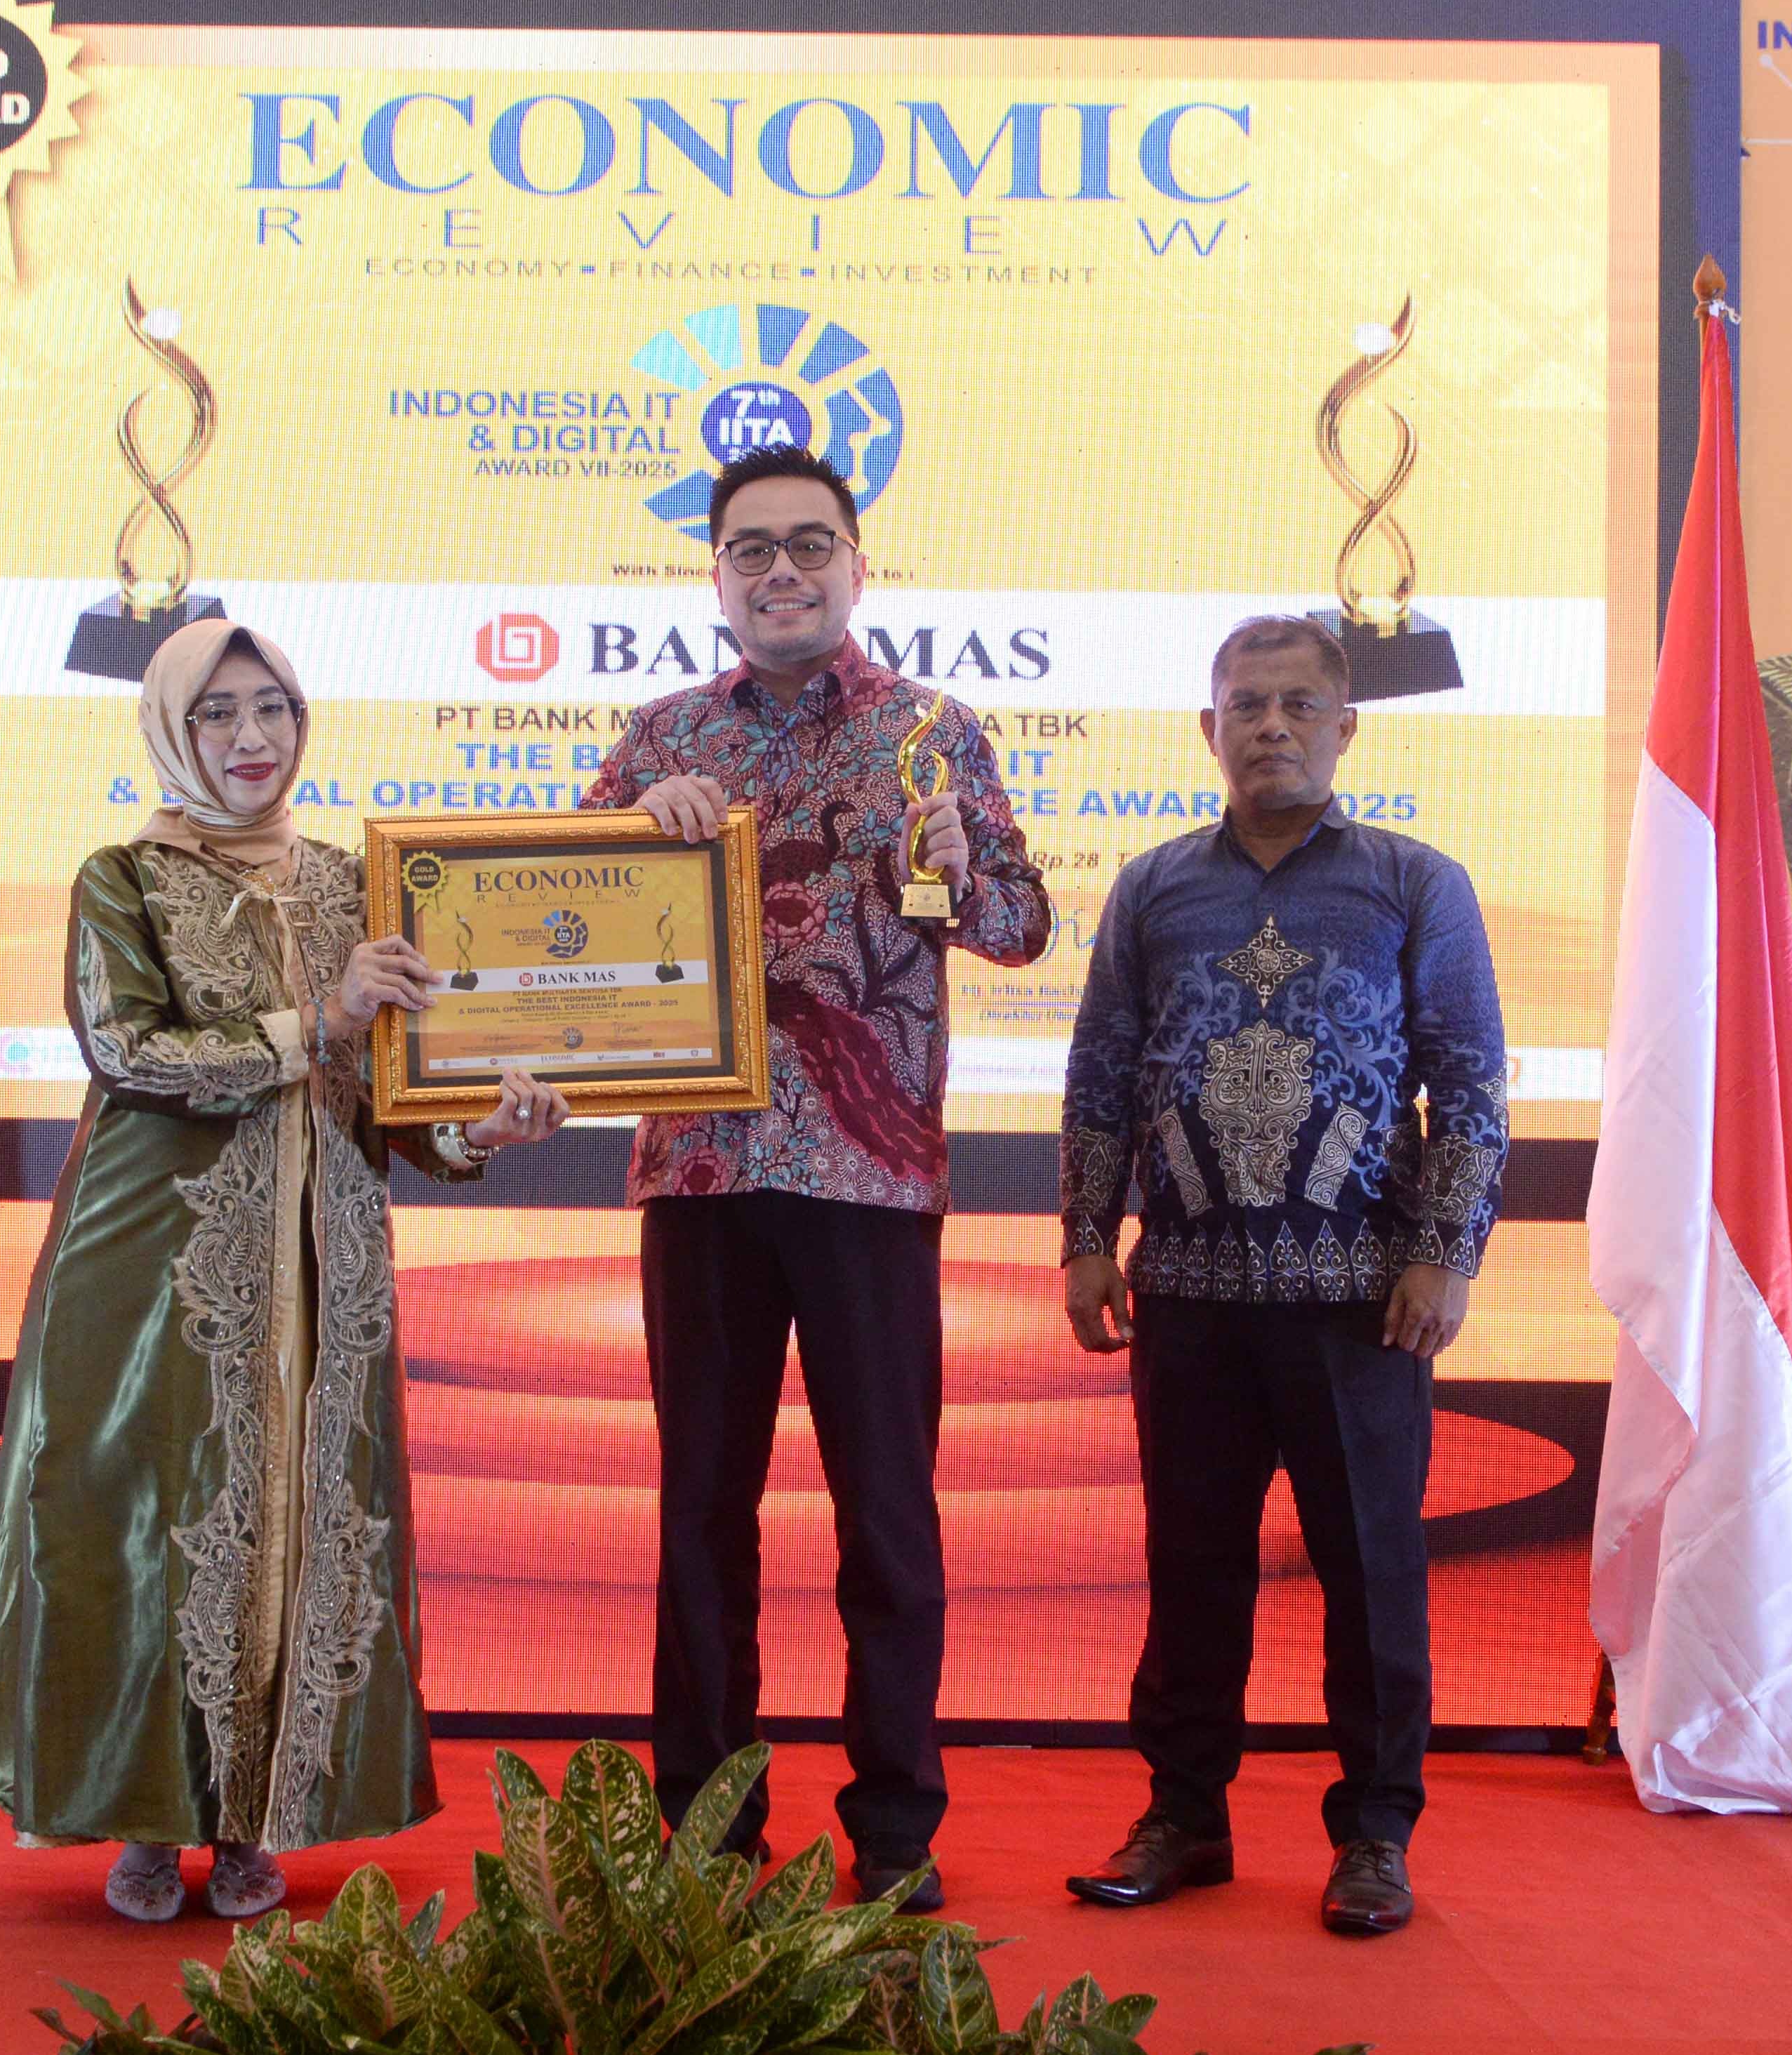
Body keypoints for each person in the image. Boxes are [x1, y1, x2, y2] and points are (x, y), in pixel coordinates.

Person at [0, 617, 568, 1922]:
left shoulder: (358, 884)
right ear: (174, 729)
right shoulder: (124, 879)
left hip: (328, 1264)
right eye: (220, 713)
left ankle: (255, 1823)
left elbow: (394, 1102)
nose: (252, 738)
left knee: (307, 1521)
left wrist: (480, 1129)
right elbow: (131, 1054)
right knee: (151, 1519)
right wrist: (317, 1019)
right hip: (158, 1270)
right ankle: (143, 1816)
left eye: (273, 709)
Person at [588, 444, 1051, 1910]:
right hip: (702, 1171)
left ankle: (896, 1827)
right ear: (715, 576)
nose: (779, 571)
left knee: (887, 1515)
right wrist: (627, 842)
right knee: (701, 1514)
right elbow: (565, 937)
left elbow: (1019, 928)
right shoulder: (659, 739)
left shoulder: (932, 732)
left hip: (871, 1175)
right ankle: (705, 1834)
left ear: (858, 564)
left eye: (808, 545)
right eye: (751, 549)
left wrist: (947, 872)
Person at [1056, 613, 1508, 1937]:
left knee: (1372, 1575)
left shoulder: (1416, 883)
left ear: (1345, 726)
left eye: (1299, 706)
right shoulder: (1152, 888)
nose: (1271, 728)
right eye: (1246, 706)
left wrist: (1444, 1255)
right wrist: (1085, 1237)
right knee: (1191, 1569)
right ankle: (1184, 1817)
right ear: (1210, 729)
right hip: (1188, 1295)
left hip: (1361, 1301)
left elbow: (1472, 1083)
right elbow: (1100, 1074)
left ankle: (1375, 1833)